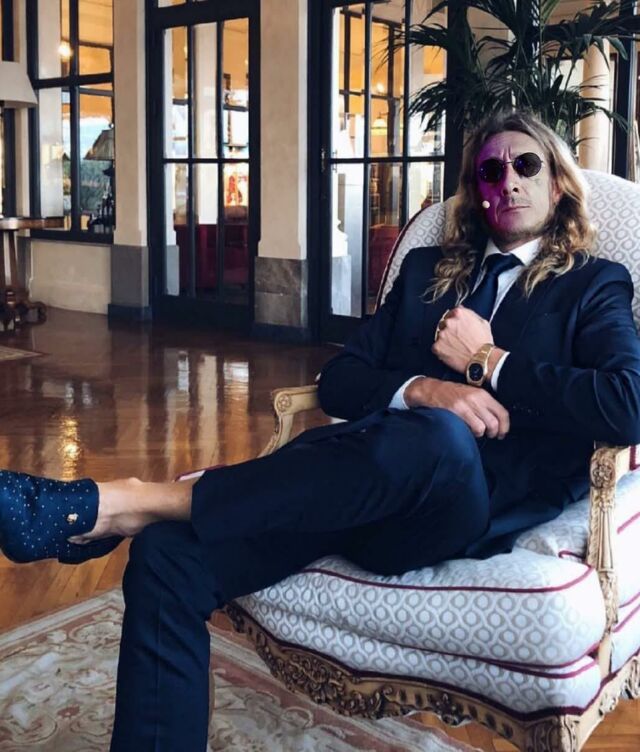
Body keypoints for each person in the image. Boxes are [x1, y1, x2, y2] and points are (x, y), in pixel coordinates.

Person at [1, 110, 640, 750]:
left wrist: (487, 361)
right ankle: (149, 524)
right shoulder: (427, 272)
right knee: (169, 557)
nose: (509, 181)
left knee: (439, 437)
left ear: (557, 183)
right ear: (477, 191)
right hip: (349, 492)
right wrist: (423, 389)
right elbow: (340, 379)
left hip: (461, 509)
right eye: (491, 170)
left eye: (526, 165)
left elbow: (627, 401)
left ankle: (132, 501)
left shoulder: (592, 284)